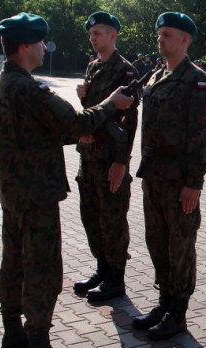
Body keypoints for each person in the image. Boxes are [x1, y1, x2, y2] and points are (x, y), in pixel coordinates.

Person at [0, 12, 133, 348]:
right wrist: (110, 104)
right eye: (39, 42)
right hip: (37, 195)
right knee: (42, 269)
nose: (43, 47)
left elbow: (42, 130)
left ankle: (13, 333)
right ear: (24, 46)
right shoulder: (30, 88)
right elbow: (75, 122)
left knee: (13, 262)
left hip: (14, 193)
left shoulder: (2, 84)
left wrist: (72, 131)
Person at [131, 12, 206, 341]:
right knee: (157, 241)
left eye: (167, 34)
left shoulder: (196, 80)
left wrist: (194, 183)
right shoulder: (154, 77)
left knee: (180, 245)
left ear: (185, 40)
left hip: (179, 178)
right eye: (159, 34)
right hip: (153, 175)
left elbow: (204, 136)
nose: (160, 39)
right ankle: (164, 301)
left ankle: (178, 312)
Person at [71, 11, 140, 302]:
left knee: (112, 220)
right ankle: (102, 270)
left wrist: (121, 162)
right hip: (88, 158)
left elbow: (130, 120)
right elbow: (93, 112)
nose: (92, 37)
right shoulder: (92, 67)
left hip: (110, 159)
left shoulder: (125, 71)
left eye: (98, 32)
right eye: (91, 33)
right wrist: (82, 97)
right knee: (91, 218)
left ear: (112, 35)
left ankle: (116, 280)